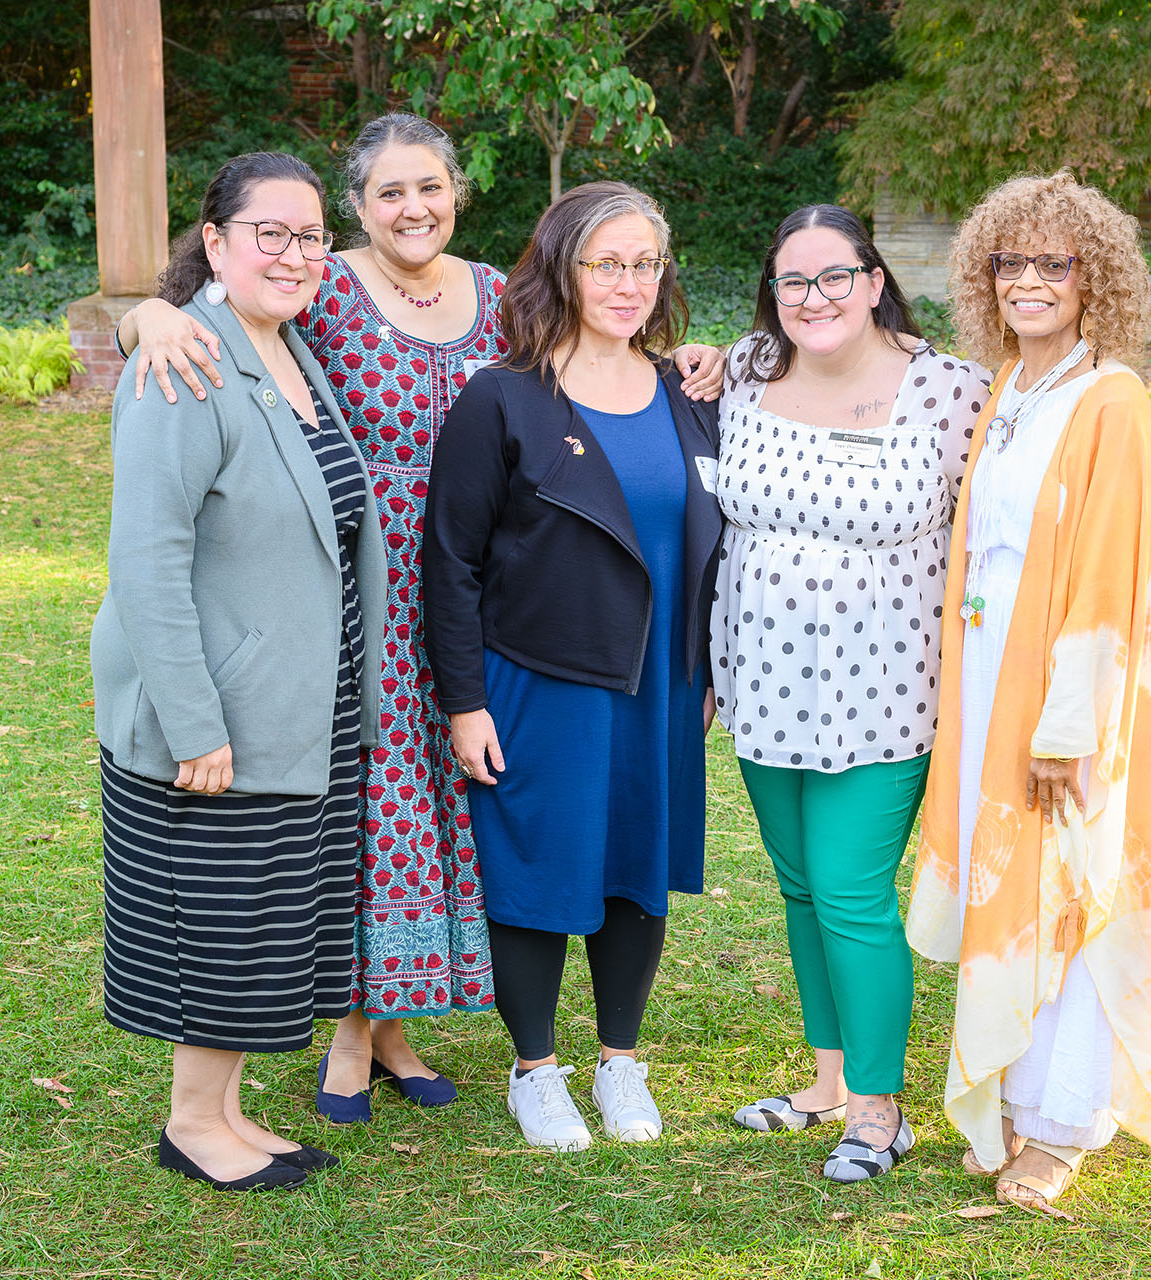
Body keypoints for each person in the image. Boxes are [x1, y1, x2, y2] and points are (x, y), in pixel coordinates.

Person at [117, 116, 726, 1121]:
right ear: (358, 205)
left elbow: (589, 360)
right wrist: (145, 315)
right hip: (356, 574)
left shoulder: (496, 294)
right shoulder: (324, 283)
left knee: (455, 810)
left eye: (431, 187)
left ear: (458, 194)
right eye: (391, 192)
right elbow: (215, 310)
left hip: (489, 577)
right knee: (376, 804)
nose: (415, 208)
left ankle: (399, 1021)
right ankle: (355, 1029)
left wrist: (688, 356)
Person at [902, 170, 1151, 1210]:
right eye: (1009, 261)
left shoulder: (1108, 399)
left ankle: (1063, 1120)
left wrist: (1069, 725)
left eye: (1053, 263)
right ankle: (1017, 1095)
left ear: (1096, 279)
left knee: (1069, 880)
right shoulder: (1010, 387)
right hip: (991, 672)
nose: (1028, 280)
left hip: (1070, 692)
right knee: (1014, 881)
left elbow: (1112, 575)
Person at [91, 151, 386, 1191]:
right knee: (214, 924)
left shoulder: (287, 346)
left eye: (311, 237)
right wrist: (193, 720)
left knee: (256, 925)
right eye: (272, 233)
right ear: (214, 241)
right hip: (215, 714)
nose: (296, 254)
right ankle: (191, 1124)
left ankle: (222, 1104)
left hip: (296, 707)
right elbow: (147, 559)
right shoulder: (183, 361)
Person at [422, 181, 722, 1153]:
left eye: (646, 263)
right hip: (542, 677)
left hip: (661, 683)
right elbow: (451, 560)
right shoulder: (501, 397)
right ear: (563, 266)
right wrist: (464, 701)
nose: (630, 282)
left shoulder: (688, 392)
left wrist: (709, 660)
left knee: (636, 868)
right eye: (608, 262)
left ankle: (620, 1060)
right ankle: (536, 1070)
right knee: (542, 869)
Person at [709, 204, 990, 1182]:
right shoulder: (743, 372)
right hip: (761, 687)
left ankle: (880, 1109)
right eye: (794, 281)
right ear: (772, 295)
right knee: (798, 889)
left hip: (886, 695)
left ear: (874, 281)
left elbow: (992, 539)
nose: (815, 297)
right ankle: (826, 1082)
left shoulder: (952, 391)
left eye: (836, 276)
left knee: (851, 890)